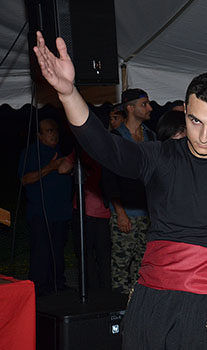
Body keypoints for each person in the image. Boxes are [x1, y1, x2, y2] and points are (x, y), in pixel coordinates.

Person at [33, 31, 207, 349]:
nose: (203, 136)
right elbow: (106, 148)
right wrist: (68, 94)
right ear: (183, 112)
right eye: (194, 120)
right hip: (151, 301)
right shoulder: (161, 157)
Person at [102, 88, 156, 294]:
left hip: (148, 214)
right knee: (120, 266)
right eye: (144, 104)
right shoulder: (116, 137)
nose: (150, 108)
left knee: (143, 267)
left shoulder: (151, 136)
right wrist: (120, 212)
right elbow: (109, 179)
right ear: (130, 108)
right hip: (125, 214)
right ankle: (117, 312)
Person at [18, 118, 72, 295]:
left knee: (58, 251)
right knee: (41, 251)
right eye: (49, 131)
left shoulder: (61, 151)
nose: (54, 134)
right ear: (39, 135)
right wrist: (49, 167)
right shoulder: (31, 152)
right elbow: (25, 179)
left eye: (55, 130)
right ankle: (39, 289)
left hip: (61, 211)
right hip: (40, 212)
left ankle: (58, 284)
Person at [59, 148, 112, 290]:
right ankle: (98, 292)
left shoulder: (89, 149)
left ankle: (98, 293)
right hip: (91, 211)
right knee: (95, 255)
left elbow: (62, 169)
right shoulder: (87, 150)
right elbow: (62, 169)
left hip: (96, 211)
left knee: (94, 255)